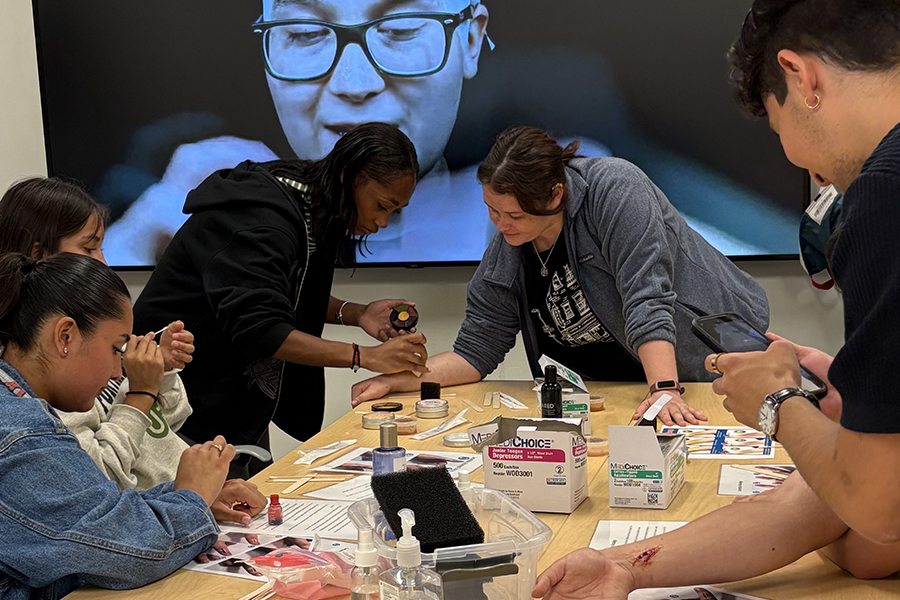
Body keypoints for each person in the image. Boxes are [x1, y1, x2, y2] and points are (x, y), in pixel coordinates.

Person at [531, 1, 900, 597]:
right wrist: (623, 565)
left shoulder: (884, 195)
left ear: (800, 78)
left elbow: (875, 519)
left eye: (780, 131)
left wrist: (777, 404)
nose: (799, 163)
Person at [353, 126, 770, 425]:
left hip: (699, 372)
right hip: (610, 395)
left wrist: (664, 389)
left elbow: (648, 297)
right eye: (492, 211)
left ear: (555, 194)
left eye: (515, 214)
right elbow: (475, 352)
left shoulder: (615, 190)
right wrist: (397, 382)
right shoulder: (509, 249)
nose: (502, 225)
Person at [132, 122, 428, 452]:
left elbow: (282, 292)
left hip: (229, 397)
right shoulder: (261, 218)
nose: (382, 222)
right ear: (348, 175)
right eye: (382, 206)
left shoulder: (316, 204)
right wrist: (366, 356)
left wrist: (357, 314)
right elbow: (261, 330)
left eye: (395, 212)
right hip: (175, 402)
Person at [0, 251, 266, 599]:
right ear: (64, 336)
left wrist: (177, 496)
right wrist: (193, 498)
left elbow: (84, 515)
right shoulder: (22, 433)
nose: (116, 371)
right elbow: (130, 552)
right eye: (115, 349)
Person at [0, 177, 196, 491]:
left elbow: (165, 424)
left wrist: (160, 371)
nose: (103, 262)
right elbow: (93, 482)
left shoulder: (91, 340)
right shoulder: (45, 379)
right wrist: (140, 395)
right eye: (89, 247)